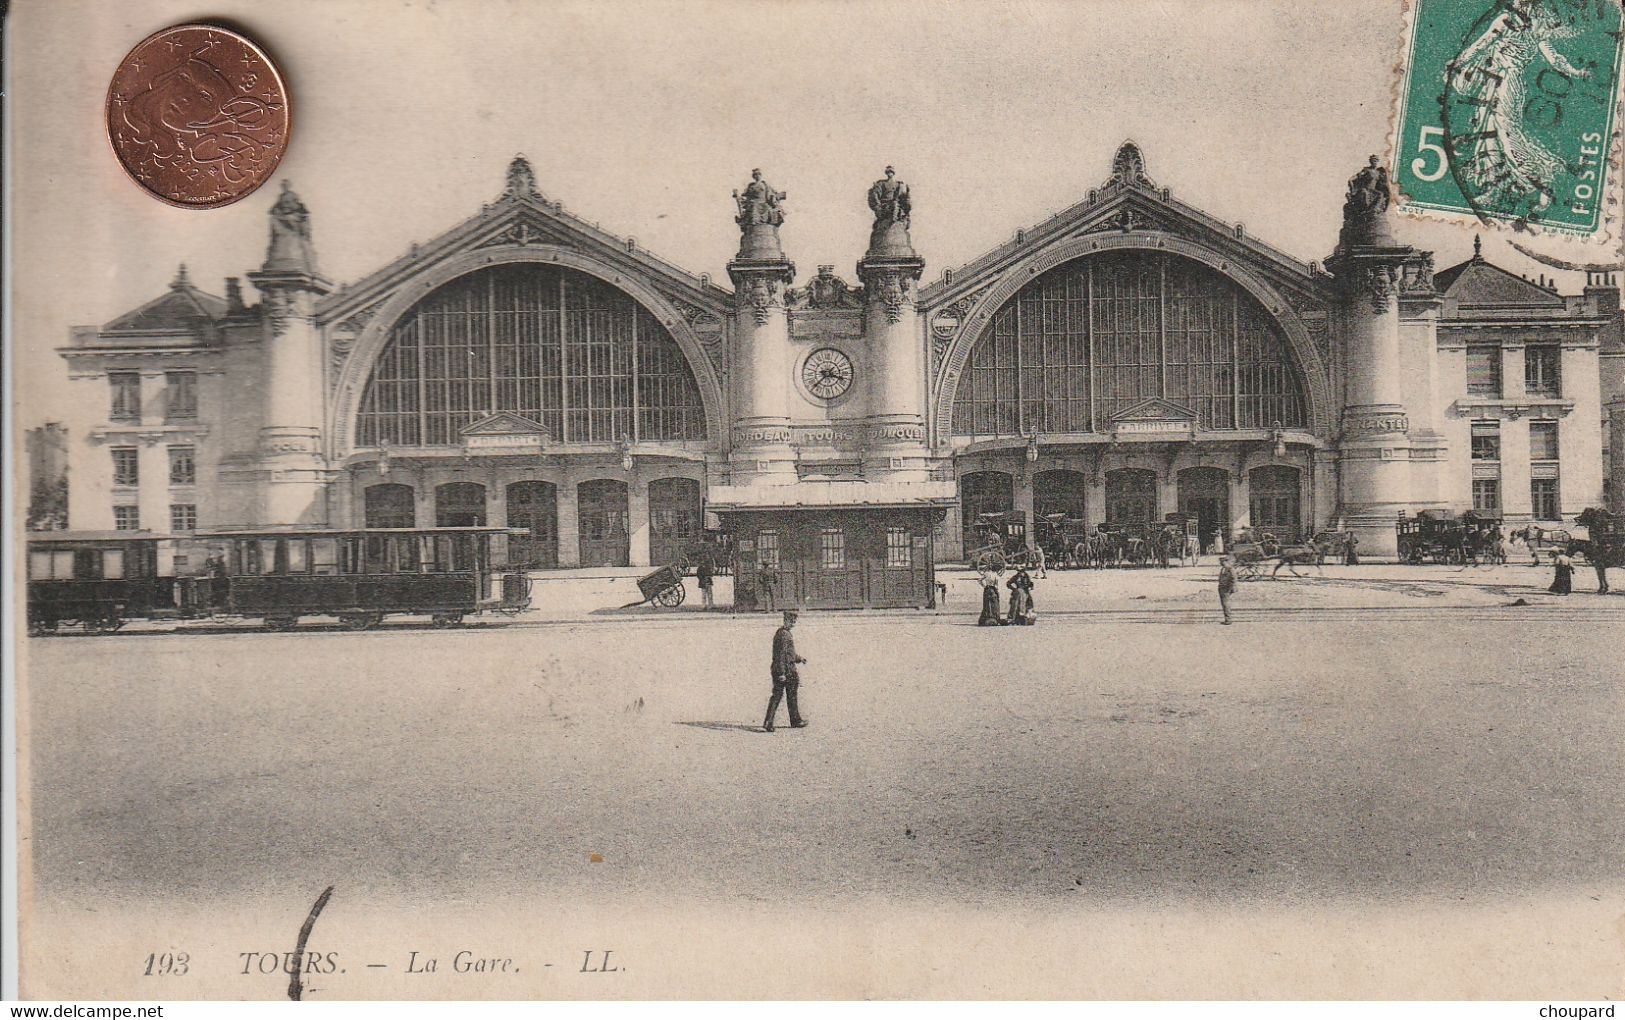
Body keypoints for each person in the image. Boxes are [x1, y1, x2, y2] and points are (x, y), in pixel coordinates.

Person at [762, 610, 807, 732]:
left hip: (783, 668)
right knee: (785, 696)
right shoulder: (784, 635)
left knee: (779, 695)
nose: (792, 624)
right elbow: (781, 655)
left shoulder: (783, 633)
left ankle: (771, 721)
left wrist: (799, 658)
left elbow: (788, 653)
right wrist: (781, 673)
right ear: (785, 620)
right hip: (786, 670)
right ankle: (793, 720)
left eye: (794, 622)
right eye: (790, 621)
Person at [1218, 555, 1236, 624]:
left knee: (1225, 604)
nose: (1221, 563)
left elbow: (1234, 579)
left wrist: (1232, 587)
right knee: (1224, 603)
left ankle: (1228, 619)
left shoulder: (1230, 569)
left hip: (1226, 588)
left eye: (1222, 561)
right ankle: (1227, 619)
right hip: (1222, 588)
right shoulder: (1224, 568)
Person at [696, 545, 715, 610]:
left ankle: (710, 605)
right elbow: (698, 575)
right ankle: (706, 605)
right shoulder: (701, 568)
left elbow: (710, 573)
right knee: (705, 594)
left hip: (706, 581)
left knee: (709, 594)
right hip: (704, 581)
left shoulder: (706, 567)